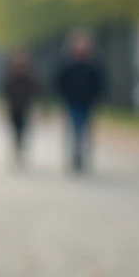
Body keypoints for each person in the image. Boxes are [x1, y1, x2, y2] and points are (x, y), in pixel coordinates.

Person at [55, 31, 106, 173]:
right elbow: (60, 82)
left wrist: (98, 98)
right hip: (71, 102)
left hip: (87, 103)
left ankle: (81, 156)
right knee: (75, 129)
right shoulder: (67, 65)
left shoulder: (93, 66)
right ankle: (75, 156)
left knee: (84, 130)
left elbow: (99, 84)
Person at [0, 51, 41, 166]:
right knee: (15, 129)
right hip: (14, 107)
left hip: (25, 107)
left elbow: (36, 89)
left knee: (23, 128)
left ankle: (20, 146)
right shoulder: (10, 77)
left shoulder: (28, 77)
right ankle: (17, 147)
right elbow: (5, 91)